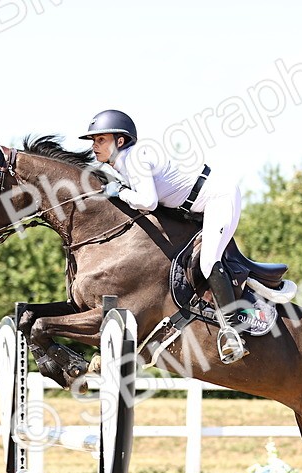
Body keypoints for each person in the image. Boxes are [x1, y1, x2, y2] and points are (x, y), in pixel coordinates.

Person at [80, 109, 247, 364]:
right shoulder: (123, 163)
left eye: (101, 139)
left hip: (218, 198)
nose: (94, 146)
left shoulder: (133, 159)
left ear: (120, 141)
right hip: (192, 207)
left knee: (207, 261)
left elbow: (147, 201)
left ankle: (232, 332)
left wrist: (119, 192)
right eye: (94, 141)